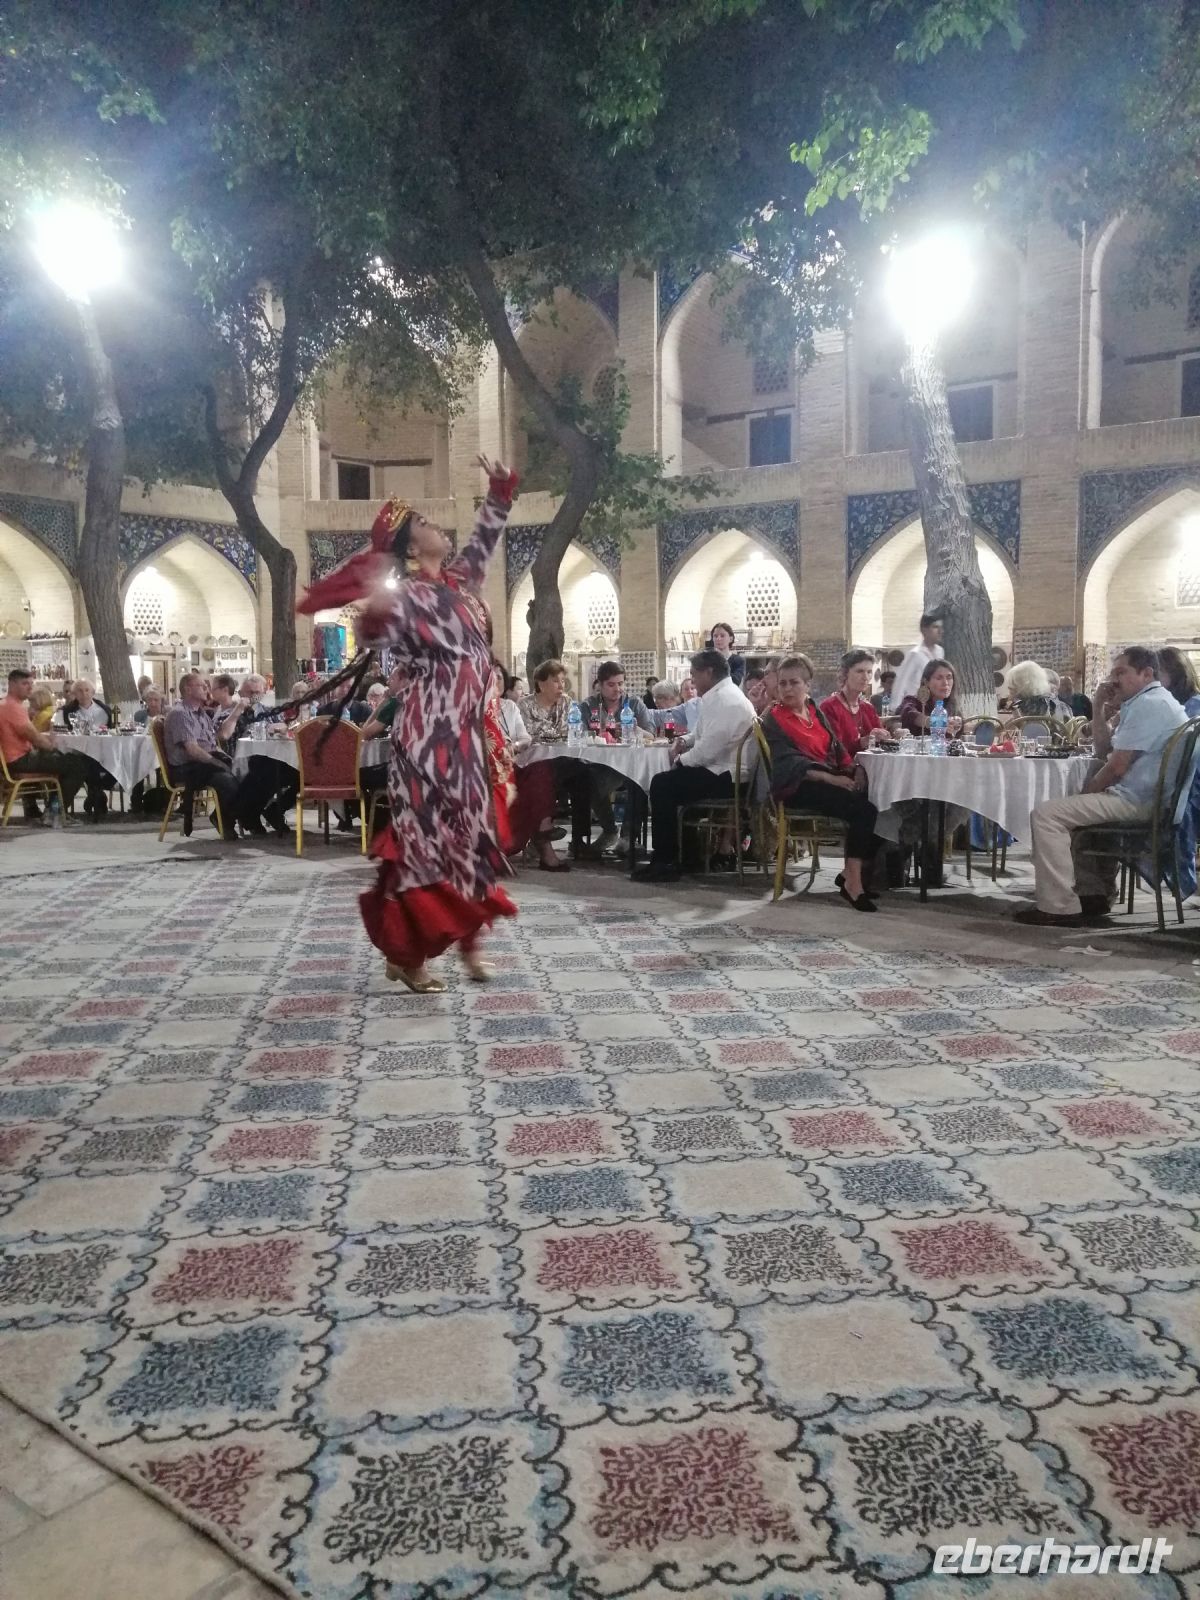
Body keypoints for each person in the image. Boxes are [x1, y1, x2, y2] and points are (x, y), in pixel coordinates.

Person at [297, 455, 519, 991]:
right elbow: (375, 633)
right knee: (422, 849)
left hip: (466, 738)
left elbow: (485, 539)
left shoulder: (460, 582)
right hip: (426, 742)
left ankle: (469, 945)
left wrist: (499, 490)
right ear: (412, 549)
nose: (435, 524)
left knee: (470, 842)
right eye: (422, 522)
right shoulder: (409, 598)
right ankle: (408, 957)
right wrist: (374, 603)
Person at [1017, 647, 1190, 926]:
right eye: (1113, 673)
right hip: (1151, 798)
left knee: (1047, 815)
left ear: (1147, 674)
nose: (1113, 680)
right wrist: (1097, 707)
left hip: (1138, 801)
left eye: (1121, 672)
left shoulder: (1149, 705)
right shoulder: (1153, 700)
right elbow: (1103, 750)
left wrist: (1085, 795)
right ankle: (1094, 894)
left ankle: (1058, 907)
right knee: (1076, 808)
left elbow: (1116, 767)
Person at [761, 655, 881, 910]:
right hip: (797, 786)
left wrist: (854, 768)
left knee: (880, 801)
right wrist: (833, 779)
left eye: (794, 682)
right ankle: (853, 883)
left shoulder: (813, 710)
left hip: (826, 779)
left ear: (808, 685)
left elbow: (836, 747)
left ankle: (849, 874)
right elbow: (788, 763)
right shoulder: (774, 718)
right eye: (782, 683)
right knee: (864, 811)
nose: (787, 689)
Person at [633, 648, 757, 883]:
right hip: (721, 770)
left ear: (708, 672)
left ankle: (665, 861)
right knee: (671, 782)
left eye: (694, 674)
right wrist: (683, 741)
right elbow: (700, 733)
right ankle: (688, 856)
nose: (692, 680)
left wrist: (680, 760)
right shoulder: (720, 696)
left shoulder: (727, 701)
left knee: (662, 784)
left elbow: (708, 750)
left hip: (729, 777)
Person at [513, 658, 592, 867]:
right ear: (540, 683)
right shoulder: (525, 705)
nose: (561, 686)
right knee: (544, 773)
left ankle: (579, 839)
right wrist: (552, 734)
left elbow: (572, 732)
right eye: (555, 681)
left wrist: (550, 734)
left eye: (563, 681)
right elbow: (529, 735)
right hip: (532, 761)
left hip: (561, 758)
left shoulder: (567, 702)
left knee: (584, 772)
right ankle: (544, 830)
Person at [1, 668, 105, 819]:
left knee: (65, 760)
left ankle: (47, 809)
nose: (30, 688)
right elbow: (36, 739)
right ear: (12, 684)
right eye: (25, 684)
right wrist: (54, 746)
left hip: (11, 760)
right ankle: (54, 813)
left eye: (31, 683)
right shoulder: (14, 708)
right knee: (77, 765)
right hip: (20, 761)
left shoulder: (5, 705)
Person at [576, 661, 654, 854]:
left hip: (631, 763)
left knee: (639, 780)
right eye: (611, 684)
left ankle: (628, 837)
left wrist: (635, 729)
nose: (617, 689)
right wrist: (601, 732)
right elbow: (579, 735)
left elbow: (651, 735)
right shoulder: (588, 705)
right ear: (600, 685)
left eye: (620, 683)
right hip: (601, 763)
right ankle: (609, 830)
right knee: (586, 781)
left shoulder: (635, 704)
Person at [162, 672, 243, 841]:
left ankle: (230, 817)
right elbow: (192, 750)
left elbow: (214, 742)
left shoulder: (202, 714)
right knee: (228, 782)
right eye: (202, 686)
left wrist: (227, 760)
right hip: (185, 768)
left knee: (244, 775)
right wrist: (217, 763)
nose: (207, 689)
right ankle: (223, 820)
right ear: (188, 689)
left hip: (203, 764)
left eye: (207, 686)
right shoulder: (180, 714)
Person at [821, 649, 883, 755]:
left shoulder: (868, 708)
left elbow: (881, 742)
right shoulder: (829, 707)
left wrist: (892, 736)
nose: (865, 677)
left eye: (869, 672)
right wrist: (863, 742)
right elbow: (834, 750)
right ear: (845, 674)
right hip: (843, 765)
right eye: (860, 671)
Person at [897, 659, 963, 737]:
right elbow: (909, 713)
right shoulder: (913, 701)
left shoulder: (952, 708)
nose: (945, 683)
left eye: (949, 678)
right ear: (926, 682)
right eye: (939, 678)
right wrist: (934, 722)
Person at [889, 614, 944, 707]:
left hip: (933, 704)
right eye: (935, 627)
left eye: (941, 627)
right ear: (924, 630)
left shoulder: (940, 651)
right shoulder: (915, 654)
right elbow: (901, 682)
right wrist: (895, 708)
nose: (940, 631)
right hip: (915, 704)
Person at [706, 622, 745, 687]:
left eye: (722, 636)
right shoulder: (706, 659)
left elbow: (736, 681)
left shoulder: (738, 660)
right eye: (715, 636)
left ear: (731, 639)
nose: (718, 639)